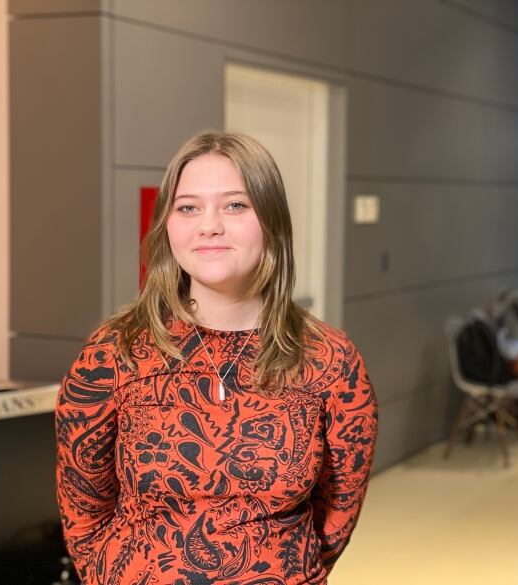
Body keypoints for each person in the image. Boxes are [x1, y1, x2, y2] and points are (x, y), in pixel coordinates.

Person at [55, 132, 378, 585]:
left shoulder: (329, 358)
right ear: (167, 224)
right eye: (188, 207)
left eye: (235, 206)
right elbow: (83, 511)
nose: (209, 226)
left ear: (271, 220)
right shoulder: (114, 352)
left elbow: (337, 514)